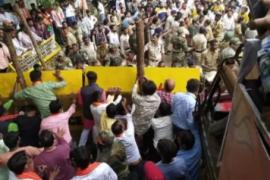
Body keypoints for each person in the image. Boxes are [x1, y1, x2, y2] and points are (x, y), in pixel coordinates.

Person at [78, 71, 105, 146]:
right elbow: (103, 104)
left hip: (87, 115)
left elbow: (80, 103)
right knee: (97, 131)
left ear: (88, 79)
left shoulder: (81, 90)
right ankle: (96, 146)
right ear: (96, 79)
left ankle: (80, 146)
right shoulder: (101, 90)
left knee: (86, 131)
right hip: (98, 117)